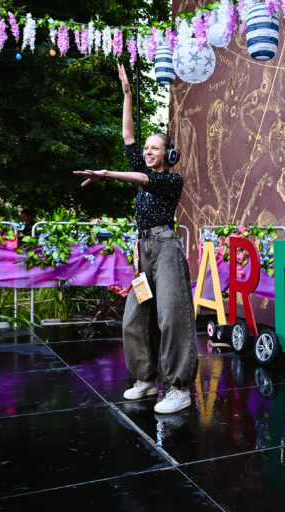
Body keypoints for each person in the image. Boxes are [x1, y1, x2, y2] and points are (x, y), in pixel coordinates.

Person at [74, 64, 198, 414]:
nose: (147, 152)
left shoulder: (170, 181)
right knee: (135, 316)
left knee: (171, 317)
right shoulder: (142, 167)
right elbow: (128, 136)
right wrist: (127, 94)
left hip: (167, 250)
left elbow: (143, 180)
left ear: (168, 155)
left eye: (155, 148)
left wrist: (106, 173)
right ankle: (146, 379)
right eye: (147, 148)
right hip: (145, 253)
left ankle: (179, 388)